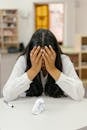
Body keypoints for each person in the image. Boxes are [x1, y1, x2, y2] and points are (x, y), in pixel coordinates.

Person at [3, 29, 85, 102]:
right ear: (31, 53)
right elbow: (7, 95)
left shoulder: (63, 60)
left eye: (47, 55)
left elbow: (79, 94)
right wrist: (33, 71)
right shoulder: (23, 60)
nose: (43, 61)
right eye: (38, 55)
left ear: (55, 53)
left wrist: (53, 70)